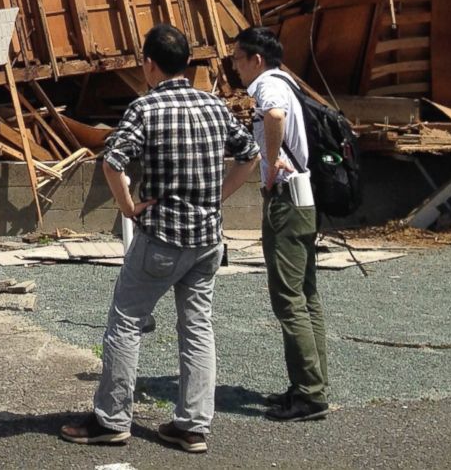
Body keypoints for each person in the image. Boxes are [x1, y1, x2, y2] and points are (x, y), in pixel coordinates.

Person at [61, 24, 260, 453]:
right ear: (187, 63)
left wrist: (129, 207)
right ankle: (191, 425)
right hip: (207, 239)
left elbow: (113, 163)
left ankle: (112, 419)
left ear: (149, 64)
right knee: (197, 328)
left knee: (126, 322)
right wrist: (218, 196)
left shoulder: (144, 108)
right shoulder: (214, 105)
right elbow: (250, 155)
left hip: (163, 235)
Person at [231, 26, 329, 422]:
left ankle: (310, 394)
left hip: (286, 198)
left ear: (256, 59)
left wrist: (271, 171)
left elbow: (273, 115)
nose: (234, 66)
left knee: (288, 298)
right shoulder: (288, 82)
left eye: (237, 58)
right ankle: (310, 384)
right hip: (304, 198)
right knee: (306, 294)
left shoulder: (269, 85)